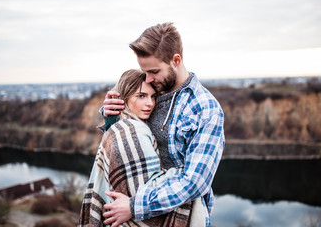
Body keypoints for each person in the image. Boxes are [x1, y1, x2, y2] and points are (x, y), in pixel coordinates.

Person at [101, 23, 225, 227]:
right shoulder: (150, 91)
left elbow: (195, 183)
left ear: (176, 60)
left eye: (154, 71)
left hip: (181, 217)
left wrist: (135, 206)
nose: (148, 78)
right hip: (133, 214)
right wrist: (112, 115)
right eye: (144, 71)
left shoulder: (205, 109)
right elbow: (126, 143)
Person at [78, 69, 200, 227]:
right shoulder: (133, 130)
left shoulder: (121, 125)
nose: (150, 103)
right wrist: (184, 171)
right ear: (124, 97)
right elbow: (144, 189)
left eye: (153, 96)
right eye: (141, 96)